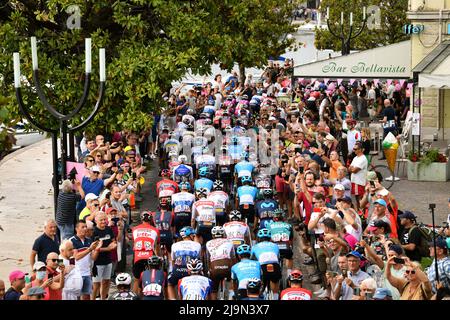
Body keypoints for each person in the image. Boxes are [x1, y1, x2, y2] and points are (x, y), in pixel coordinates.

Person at [70, 221, 101, 300]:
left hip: (87, 273)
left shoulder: (89, 240)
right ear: (76, 229)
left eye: (85, 227)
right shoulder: (72, 241)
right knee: (76, 296)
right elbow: (76, 257)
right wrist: (90, 249)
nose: (85, 229)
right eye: (82, 227)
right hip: (76, 274)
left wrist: (97, 249)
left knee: (87, 296)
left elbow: (93, 258)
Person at [168, 226, 201, 300]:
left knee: (169, 284)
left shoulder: (174, 245)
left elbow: (173, 261)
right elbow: (199, 259)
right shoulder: (197, 245)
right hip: (191, 271)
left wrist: (173, 271)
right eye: (193, 235)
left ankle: (173, 299)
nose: (194, 236)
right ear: (189, 235)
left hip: (178, 270)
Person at [131, 211, 160, 294]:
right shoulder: (155, 230)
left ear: (141, 218)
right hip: (150, 256)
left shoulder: (134, 229)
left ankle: (134, 296)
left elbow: (135, 241)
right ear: (151, 219)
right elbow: (156, 247)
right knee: (151, 278)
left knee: (136, 279)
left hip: (137, 256)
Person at [205, 226, 237, 300]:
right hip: (227, 267)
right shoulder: (230, 241)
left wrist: (208, 271)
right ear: (223, 234)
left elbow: (207, 259)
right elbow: (233, 257)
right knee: (232, 281)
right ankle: (230, 293)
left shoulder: (208, 243)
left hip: (215, 268)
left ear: (213, 235)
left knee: (213, 288)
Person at [92, 212, 117, 300]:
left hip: (108, 259)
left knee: (106, 282)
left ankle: (103, 298)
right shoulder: (94, 231)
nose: (103, 222)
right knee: (96, 284)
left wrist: (114, 244)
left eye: (104, 219)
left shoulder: (108, 229)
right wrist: (108, 248)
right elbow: (94, 248)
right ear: (96, 221)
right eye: (101, 220)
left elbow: (113, 241)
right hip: (97, 261)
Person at [251, 229, 281, 300]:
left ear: (259, 238)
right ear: (270, 237)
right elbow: (278, 257)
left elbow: (251, 258)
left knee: (260, 282)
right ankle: (275, 297)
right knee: (275, 281)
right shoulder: (275, 245)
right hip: (274, 264)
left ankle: (261, 292)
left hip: (262, 265)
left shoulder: (255, 246)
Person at [348, 141, 368, 210]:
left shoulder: (363, 159)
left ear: (360, 149)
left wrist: (352, 169)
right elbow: (350, 168)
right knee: (357, 198)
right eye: (353, 149)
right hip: (355, 181)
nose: (354, 150)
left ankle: (361, 212)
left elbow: (354, 170)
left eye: (355, 149)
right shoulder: (355, 158)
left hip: (359, 182)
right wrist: (352, 169)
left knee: (359, 199)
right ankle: (360, 212)